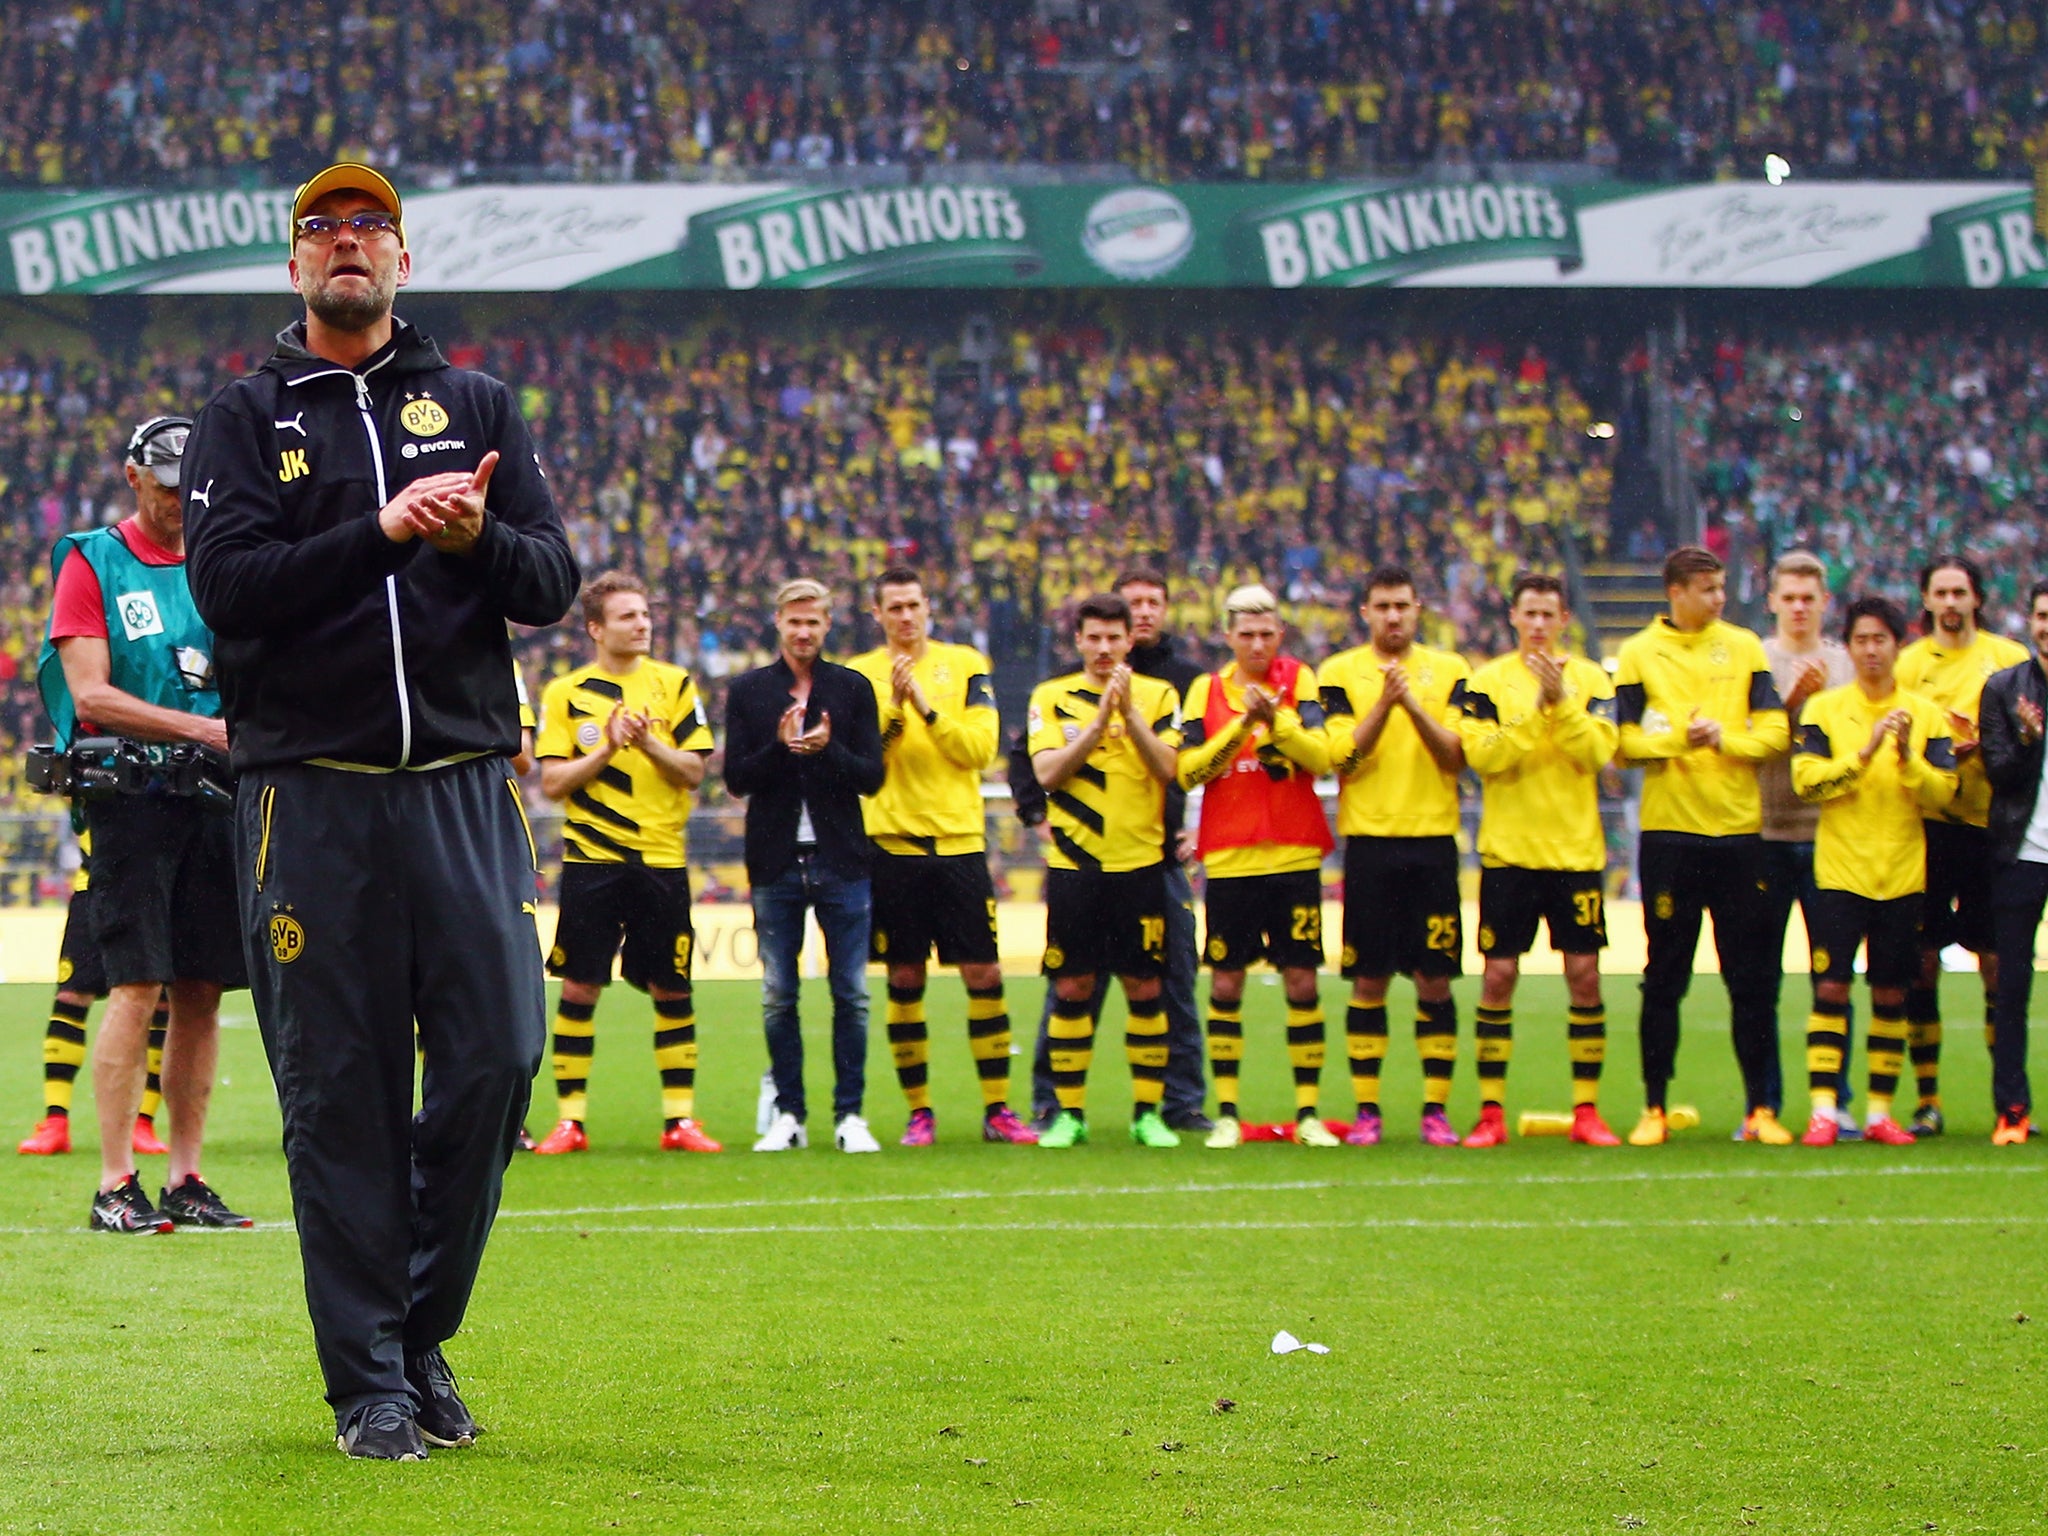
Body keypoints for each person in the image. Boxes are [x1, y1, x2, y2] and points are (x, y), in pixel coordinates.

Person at [183, 162, 579, 1460]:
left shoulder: (475, 404)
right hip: (314, 801)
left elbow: (551, 584)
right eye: (322, 229)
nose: (346, 244)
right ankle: (371, 1388)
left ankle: (416, 1335)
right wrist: (388, 532)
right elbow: (233, 589)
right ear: (294, 266)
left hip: (464, 791)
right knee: (340, 1096)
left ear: (404, 260)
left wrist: (473, 543)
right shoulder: (242, 419)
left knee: (499, 1062)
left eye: (369, 228)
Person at [40, 413, 249, 1234]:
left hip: (216, 800)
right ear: (135, 478)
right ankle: (114, 1182)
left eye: (189, 490)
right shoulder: (93, 559)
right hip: (128, 801)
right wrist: (204, 729)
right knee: (135, 984)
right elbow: (90, 695)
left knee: (201, 990)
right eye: (166, 489)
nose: (179, 504)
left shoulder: (222, 565)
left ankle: (187, 1177)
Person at [530, 571, 718, 1155]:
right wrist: (607, 748)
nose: (643, 624)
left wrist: (648, 744)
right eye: (628, 617)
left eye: (645, 615)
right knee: (581, 987)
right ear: (596, 628)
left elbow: (694, 772)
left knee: (671, 987)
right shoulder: (566, 692)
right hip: (593, 860)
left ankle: (680, 1122)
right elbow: (553, 781)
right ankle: (571, 1122)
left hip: (662, 859)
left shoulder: (675, 684)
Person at [847, 567, 1036, 1146]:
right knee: (905, 978)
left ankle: (998, 1109)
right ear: (876, 614)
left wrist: (926, 707)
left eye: (914, 605)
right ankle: (919, 1112)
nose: (906, 616)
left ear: (929, 608)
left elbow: (978, 750)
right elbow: (862, 764)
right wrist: (896, 714)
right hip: (892, 848)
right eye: (894, 607)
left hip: (958, 845)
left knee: (985, 974)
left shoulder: (967, 665)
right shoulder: (857, 675)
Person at [1614, 546, 1789, 1146]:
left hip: (1740, 835)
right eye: (1708, 589)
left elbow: (1776, 731)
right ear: (1676, 593)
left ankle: (1760, 1109)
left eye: (1720, 588)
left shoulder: (1744, 646)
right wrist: (1680, 744)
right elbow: (1624, 743)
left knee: (1751, 979)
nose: (1719, 598)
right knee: (1664, 977)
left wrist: (1726, 738)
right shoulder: (1637, 654)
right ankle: (1654, 1107)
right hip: (1671, 838)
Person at [1028, 569, 1211, 1133]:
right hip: (1076, 866)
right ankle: (1067, 1114)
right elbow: (1047, 773)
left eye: (1114, 638)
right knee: (1072, 986)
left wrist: (1128, 714)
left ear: (1130, 640)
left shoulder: (1160, 697)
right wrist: (1097, 724)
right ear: (1078, 641)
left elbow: (1171, 769)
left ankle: (1148, 1115)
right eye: (1094, 638)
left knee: (1147, 987)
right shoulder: (1051, 696)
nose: (1104, 648)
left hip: (1140, 865)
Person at [1456, 573, 1622, 1147]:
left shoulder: (1594, 679)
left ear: (1564, 620)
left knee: (1585, 977)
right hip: (1509, 856)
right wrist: (1537, 709)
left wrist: (1563, 705)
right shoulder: (1485, 682)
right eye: (1530, 614)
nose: (1539, 625)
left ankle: (1587, 1111)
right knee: (1498, 977)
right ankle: (1491, 1112)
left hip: (1576, 855)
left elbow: (1599, 752)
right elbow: (1484, 758)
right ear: (1513, 618)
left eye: (1549, 615)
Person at [724, 578, 886, 1154]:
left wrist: (828, 751)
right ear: (778, 623)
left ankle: (851, 1115)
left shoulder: (852, 688)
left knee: (852, 993)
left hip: (843, 860)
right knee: (779, 994)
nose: (803, 631)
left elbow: (873, 777)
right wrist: (779, 747)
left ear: (827, 624)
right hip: (775, 864)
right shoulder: (748, 691)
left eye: (813, 621)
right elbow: (736, 779)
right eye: (794, 621)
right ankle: (789, 1114)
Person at [1790, 596, 1957, 1146]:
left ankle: (1881, 1111)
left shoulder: (1924, 714)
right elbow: (1806, 782)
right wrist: (1863, 755)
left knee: (1890, 993)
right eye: (1860, 640)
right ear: (1850, 647)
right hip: (1840, 874)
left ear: (1896, 645)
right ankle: (1823, 1110)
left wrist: (1907, 755)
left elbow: (1944, 791)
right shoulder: (1823, 711)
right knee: (1831, 987)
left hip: (1902, 875)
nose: (1870, 650)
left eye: (1880, 639)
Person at [1176, 585, 1336, 1149]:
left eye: (1267, 633)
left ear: (1280, 635)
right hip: (1231, 857)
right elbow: (1189, 771)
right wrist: (1243, 725)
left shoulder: (1303, 681)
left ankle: (1309, 1112)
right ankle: (1227, 1112)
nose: (1258, 644)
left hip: (1293, 851)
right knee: (1225, 981)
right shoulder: (1206, 690)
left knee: (1301, 979)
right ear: (1228, 636)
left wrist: (1281, 723)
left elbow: (1324, 758)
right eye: (1246, 634)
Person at [1317, 565, 1470, 1146]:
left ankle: (1435, 1110)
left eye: (1402, 605)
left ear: (1419, 607)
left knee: (1435, 979)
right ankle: (1367, 1112)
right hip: (1371, 844)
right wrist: (1384, 704)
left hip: (1433, 841)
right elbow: (1341, 759)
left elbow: (1456, 757)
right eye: (1382, 606)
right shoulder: (1337, 673)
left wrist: (1412, 705)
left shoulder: (1453, 671)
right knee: (1369, 980)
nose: (1393, 616)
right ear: (1365, 611)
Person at [1893, 556, 2027, 1137]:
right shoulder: (1906, 666)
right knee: (1922, 965)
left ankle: (2007, 1104)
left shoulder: (2010, 659)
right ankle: (1928, 1100)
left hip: (1991, 827)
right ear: (1926, 600)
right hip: (1925, 826)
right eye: (1940, 592)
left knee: (1995, 964)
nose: (1950, 602)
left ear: (1977, 599)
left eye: (1960, 592)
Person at [1756, 550, 1856, 1142]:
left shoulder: (1846, 665)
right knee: (1760, 977)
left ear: (1824, 603)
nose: (1798, 607)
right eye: (1788, 598)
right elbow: (1749, 750)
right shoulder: (1757, 662)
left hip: (1830, 839)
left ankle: (1834, 1101)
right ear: (1772, 602)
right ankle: (1764, 1104)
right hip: (1766, 833)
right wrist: (1791, 705)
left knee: (1833, 976)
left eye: (1807, 598)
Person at [18, 840, 172, 1159]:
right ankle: (55, 1121)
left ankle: (143, 1122)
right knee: (71, 994)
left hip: (162, 882)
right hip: (96, 882)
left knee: (161, 998)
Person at [1975, 578, 2048, 1145]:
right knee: (2012, 987)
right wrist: (2027, 739)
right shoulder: (2004, 688)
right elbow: (1998, 773)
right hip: (2022, 853)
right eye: (2043, 616)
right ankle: (2013, 1110)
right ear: (2030, 622)